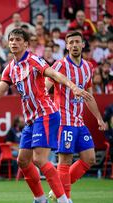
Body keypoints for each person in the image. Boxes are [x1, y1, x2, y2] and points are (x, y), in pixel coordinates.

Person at [0, 28, 92, 203]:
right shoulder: (10, 68)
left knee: (39, 159)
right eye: (11, 40)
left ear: (26, 43)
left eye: (18, 39)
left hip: (46, 113)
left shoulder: (33, 60)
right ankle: (40, 199)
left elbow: (54, 74)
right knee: (23, 161)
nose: (14, 43)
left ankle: (64, 200)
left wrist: (73, 86)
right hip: (31, 120)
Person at [45, 31, 107, 202]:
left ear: (82, 45)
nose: (73, 45)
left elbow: (89, 95)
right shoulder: (59, 65)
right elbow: (44, 89)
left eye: (76, 42)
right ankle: (66, 198)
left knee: (90, 158)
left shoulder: (88, 67)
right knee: (65, 160)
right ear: (66, 46)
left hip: (79, 122)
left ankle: (57, 190)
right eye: (70, 42)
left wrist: (99, 119)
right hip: (64, 121)